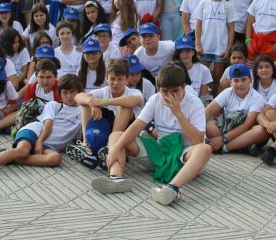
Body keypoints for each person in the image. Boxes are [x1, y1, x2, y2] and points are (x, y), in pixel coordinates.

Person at [91, 64, 212, 206]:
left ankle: (172, 189)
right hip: (160, 153)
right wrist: (116, 148)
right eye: (165, 91)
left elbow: (198, 140)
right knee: (116, 136)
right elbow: (137, 126)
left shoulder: (194, 103)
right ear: (158, 87)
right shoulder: (155, 99)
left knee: (204, 149)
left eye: (175, 91)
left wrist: (178, 112)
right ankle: (116, 178)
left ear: (184, 87)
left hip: (185, 156)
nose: (169, 96)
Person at [0, 74, 84, 180]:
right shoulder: (54, 105)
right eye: (65, 92)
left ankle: (6, 157)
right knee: (22, 151)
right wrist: (39, 142)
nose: (68, 96)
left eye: (72, 92)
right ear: (60, 93)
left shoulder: (83, 111)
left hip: (49, 145)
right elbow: (48, 124)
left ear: (79, 92)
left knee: (55, 159)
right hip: (34, 131)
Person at [204, 63, 268, 154]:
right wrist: (200, 135)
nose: (240, 84)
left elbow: (248, 124)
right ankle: (242, 147)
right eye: (236, 80)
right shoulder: (227, 92)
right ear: (230, 83)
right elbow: (208, 110)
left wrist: (223, 139)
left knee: (261, 131)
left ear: (250, 80)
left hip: (245, 133)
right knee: (210, 125)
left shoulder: (257, 98)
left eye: (243, 80)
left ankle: (225, 148)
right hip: (227, 129)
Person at [193, 0, 235, 91]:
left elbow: (231, 29)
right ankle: (203, 98)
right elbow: (198, 26)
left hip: (220, 47)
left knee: (218, 76)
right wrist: (197, 44)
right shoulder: (203, 4)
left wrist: (228, 48)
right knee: (201, 75)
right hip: (205, 45)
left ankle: (217, 101)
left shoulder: (228, 6)